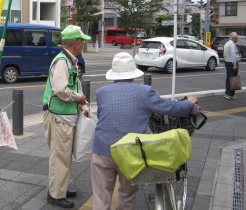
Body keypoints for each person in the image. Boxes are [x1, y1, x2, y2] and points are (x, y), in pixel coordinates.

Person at [91, 52, 198, 210]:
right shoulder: (145, 92)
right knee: (127, 195)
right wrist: (189, 103)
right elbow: (169, 108)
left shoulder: (102, 92)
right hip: (129, 152)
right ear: (133, 74)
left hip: (101, 150)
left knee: (101, 197)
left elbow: (102, 116)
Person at [42, 25, 90, 208]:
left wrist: (81, 104)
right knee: (60, 155)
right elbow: (60, 89)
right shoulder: (62, 61)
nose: (84, 44)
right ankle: (55, 194)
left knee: (63, 154)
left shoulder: (69, 60)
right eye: (82, 41)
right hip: (58, 116)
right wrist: (80, 98)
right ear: (76, 42)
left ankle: (59, 187)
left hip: (63, 114)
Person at [224, 32, 239, 100]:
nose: (237, 38)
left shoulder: (227, 43)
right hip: (232, 62)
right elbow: (233, 54)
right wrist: (235, 64)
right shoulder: (232, 44)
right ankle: (231, 94)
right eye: (237, 37)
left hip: (227, 62)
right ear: (234, 38)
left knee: (228, 78)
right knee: (233, 78)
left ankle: (227, 93)